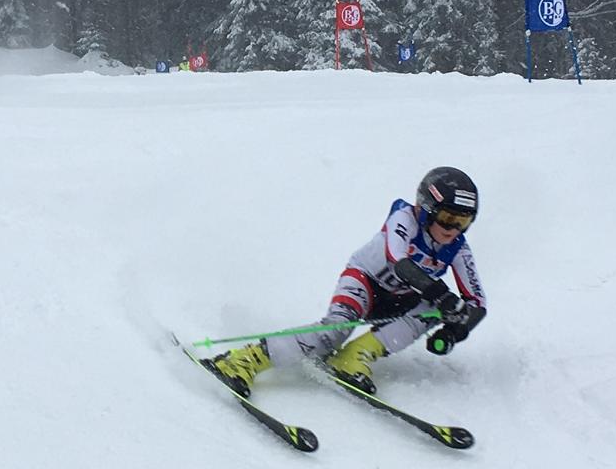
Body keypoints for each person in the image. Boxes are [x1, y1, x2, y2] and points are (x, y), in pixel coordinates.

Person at [205, 166, 489, 396]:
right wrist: (440, 293)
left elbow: (478, 303)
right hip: (365, 282)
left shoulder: (458, 249)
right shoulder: (404, 218)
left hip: (400, 301)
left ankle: (355, 355)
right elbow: (398, 261)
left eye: (463, 222)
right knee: (334, 332)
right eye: (448, 218)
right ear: (426, 209)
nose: (454, 229)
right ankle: (245, 359)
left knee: (440, 309)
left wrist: (454, 331)